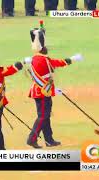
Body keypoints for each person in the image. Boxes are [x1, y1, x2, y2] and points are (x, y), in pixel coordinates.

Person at [26, 21, 83, 149]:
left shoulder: (35, 58)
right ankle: (32, 138)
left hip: (40, 90)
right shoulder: (43, 59)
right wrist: (73, 59)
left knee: (45, 116)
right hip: (42, 91)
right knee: (43, 116)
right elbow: (59, 62)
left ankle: (49, 140)